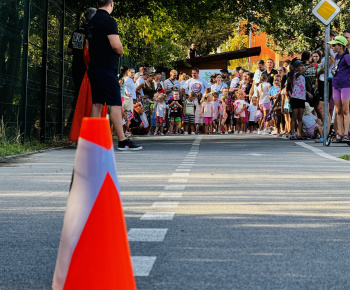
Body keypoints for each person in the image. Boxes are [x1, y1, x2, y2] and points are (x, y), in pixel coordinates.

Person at [87, 0, 141, 150]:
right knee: (116, 104)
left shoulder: (91, 21)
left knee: (97, 104)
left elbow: (88, 45)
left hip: (94, 67)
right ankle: (123, 141)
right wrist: (121, 51)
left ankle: (93, 141)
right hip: (106, 68)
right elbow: (115, 44)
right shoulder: (109, 21)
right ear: (111, 3)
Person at [68, 8, 97, 102]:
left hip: (76, 65)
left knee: (78, 93)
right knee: (89, 96)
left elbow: (69, 50)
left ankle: (77, 114)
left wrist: (78, 51)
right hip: (87, 67)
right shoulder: (92, 31)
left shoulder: (77, 31)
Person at [328, 35, 350, 142]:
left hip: (345, 86)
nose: (333, 47)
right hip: (335, 85)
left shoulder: (346, 57)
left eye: (334, 45)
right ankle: (340, 133)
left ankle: (346, 133)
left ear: (341, 46)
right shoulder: (336, 57)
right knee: (338, 111)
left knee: (345, 110)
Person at [289, 59, 314, 140]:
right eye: (300, 66)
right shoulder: (295, 74)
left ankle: (299, 133)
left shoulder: (303, 77)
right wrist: (308, 67)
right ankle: (292, 133)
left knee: (300, 117)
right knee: (294, 117)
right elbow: (299, 73)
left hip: (302, 97)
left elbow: (301, 87)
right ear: (296, 68)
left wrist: (307, 93)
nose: (302, 67)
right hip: (295, 97)